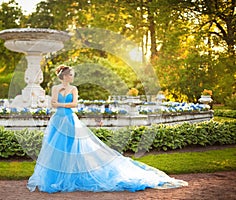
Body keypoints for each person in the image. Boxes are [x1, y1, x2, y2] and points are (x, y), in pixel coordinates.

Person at [27, 65, 188, 193]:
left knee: (73, 147)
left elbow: (73, 104)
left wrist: (60, 104)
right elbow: (52, 103)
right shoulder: (55, 88)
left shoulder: (74, 89)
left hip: (69, 119)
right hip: (58, 120)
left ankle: (71, 176)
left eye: (72, 75)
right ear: (64, 76)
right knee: (56, 148)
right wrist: (61, 104)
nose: (72, 77)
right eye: (70, 75)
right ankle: (57, 178)